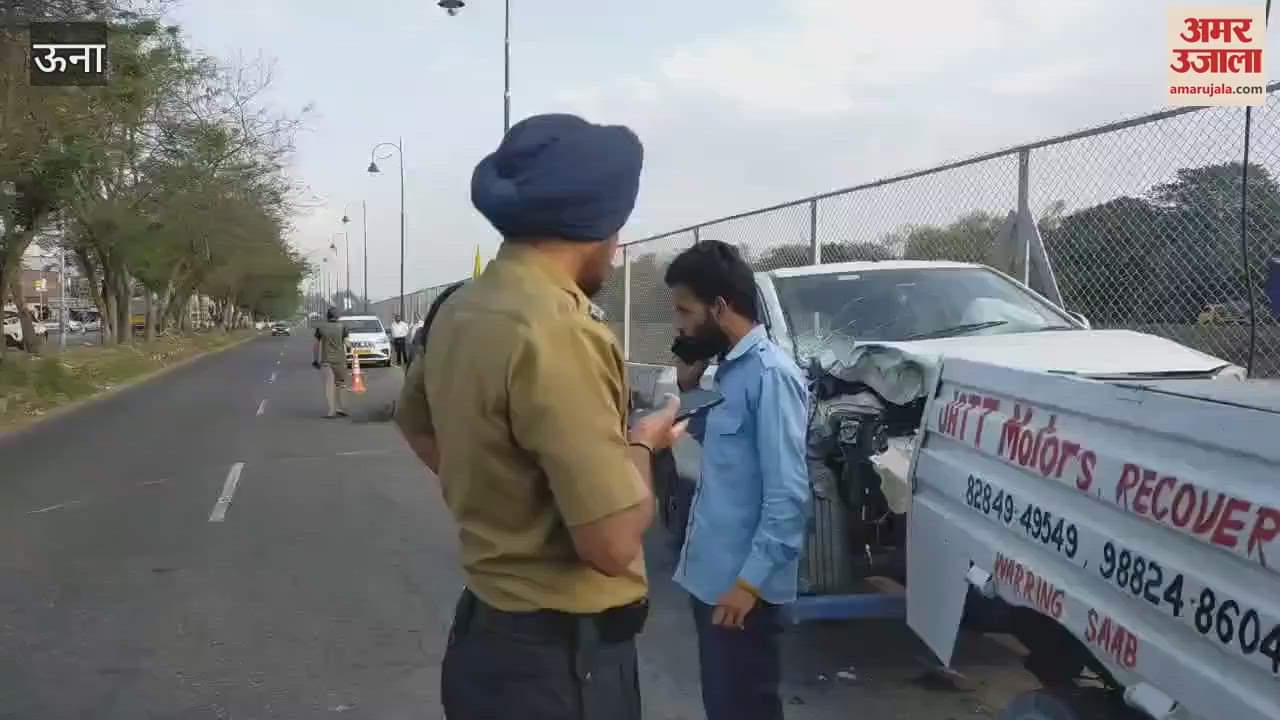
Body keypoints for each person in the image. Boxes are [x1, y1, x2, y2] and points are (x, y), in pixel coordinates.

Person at [394, 113, 684, 720]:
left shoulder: (460, 307)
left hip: (487, 642)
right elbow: (610, 542)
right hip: (562, 669)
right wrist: (644, 446)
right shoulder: (558, 329)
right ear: (603, 226)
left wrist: (500, 499)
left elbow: (416, 423)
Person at [665, 240, 810, 720]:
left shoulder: (771, 376)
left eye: (686, 311)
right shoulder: (730, 373)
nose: (680, 325)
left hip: (742, 594)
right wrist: (689, 389)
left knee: (744, 708)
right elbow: (727, 451)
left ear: (719, 307)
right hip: (713, 582)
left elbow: (788, 497)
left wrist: (748, 586)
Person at [313, 307, 351, 418]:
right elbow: (347, 343)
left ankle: (331, 411)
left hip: (326, 361)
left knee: (329, 384)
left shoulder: (320, 328)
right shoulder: (343, 327)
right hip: (340, 361)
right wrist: (350, 350)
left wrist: (315, 360)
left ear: (327, 316)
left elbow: (315, 345)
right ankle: (341, 408)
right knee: (341, 384)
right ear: (337, 316)